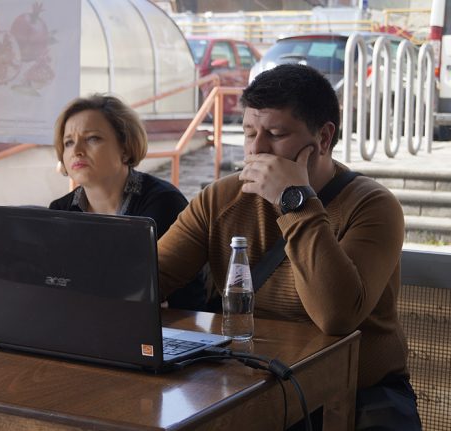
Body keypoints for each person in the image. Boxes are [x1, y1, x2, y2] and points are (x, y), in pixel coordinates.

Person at [157, 64, 420, 430]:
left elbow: (336, 316)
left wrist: (294, 201)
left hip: (353, 395)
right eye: (249, 132)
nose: (257, 148)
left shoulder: (372, 205)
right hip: (249, 388)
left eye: (276, 134)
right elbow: (149, 280)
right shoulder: (222, 199)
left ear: (323, 138)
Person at [49, 94, 187, 238]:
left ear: (125, 148)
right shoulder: (58, 212)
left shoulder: (164, 203)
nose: (76, 151)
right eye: (69, 143)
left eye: (92, 138)